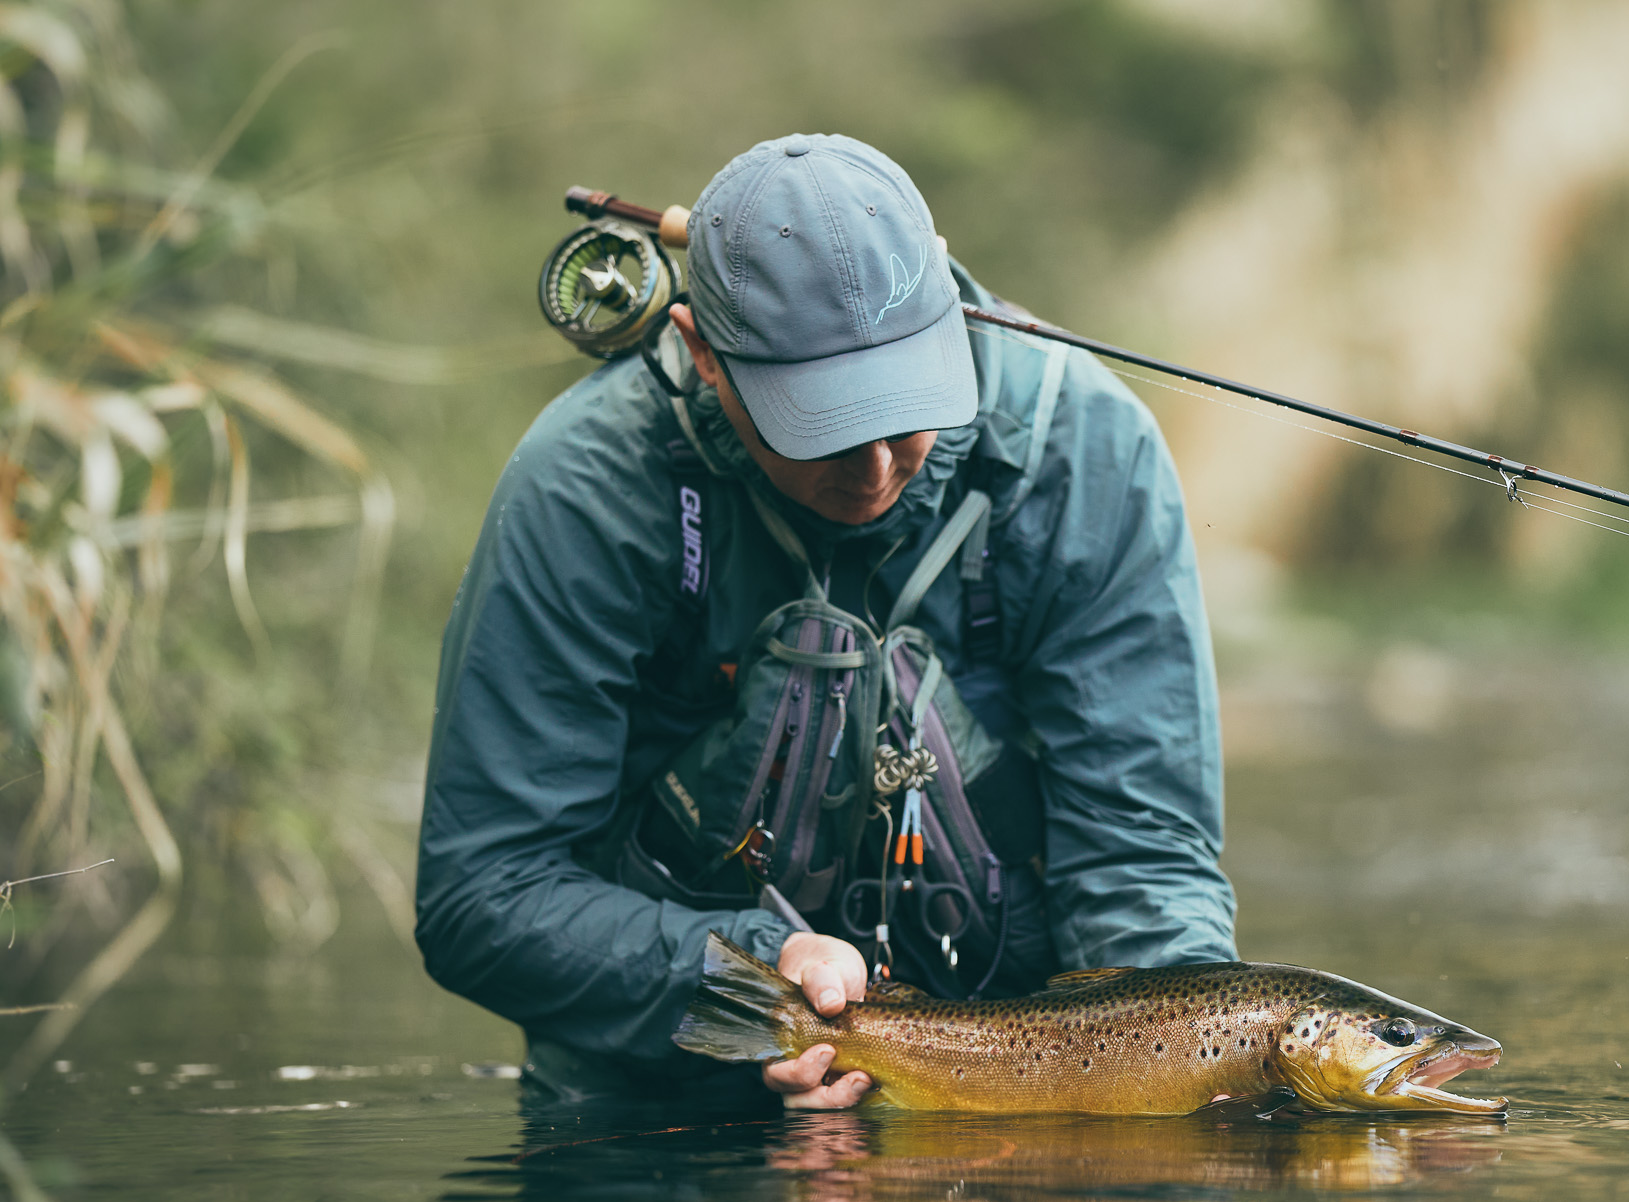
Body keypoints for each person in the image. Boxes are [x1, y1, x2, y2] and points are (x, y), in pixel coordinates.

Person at [414, 134, 1235, 1111]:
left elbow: (1142, 867)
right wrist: (751, 974)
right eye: (821, 429)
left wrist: (1196, 1099)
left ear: (950, 320)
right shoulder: (584, 487)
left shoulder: (1086, 448)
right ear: (703, 352)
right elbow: (485, 895)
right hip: (666, 1085)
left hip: (1013, 1093)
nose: (877, 467)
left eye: (905, 412)